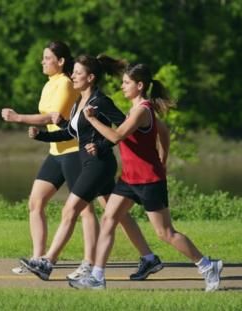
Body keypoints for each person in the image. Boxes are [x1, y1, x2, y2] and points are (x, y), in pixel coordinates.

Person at [69, 63, 223, 291]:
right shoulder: (135, 110)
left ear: (139, 86)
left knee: (165, 233)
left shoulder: (142, 110)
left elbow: (118, 135)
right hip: (129, 179)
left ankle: (208, 265)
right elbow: (163, 131)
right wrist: (164, 156)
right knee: (108, 219)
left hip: (149, 180)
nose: (122, 86)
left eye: (127, 83)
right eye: (123, 82)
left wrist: (92, 119)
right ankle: (97, 277)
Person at [20, 55, 163, 281]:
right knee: (119, 214)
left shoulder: (101, 101)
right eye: (73, 72)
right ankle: (149, 258)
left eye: (77, 72)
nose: (73, 75)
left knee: (70, 210)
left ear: (91, 77)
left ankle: (47, 262)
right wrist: (42, 136)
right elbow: (71, 132)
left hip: (99, 165)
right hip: (92, 163)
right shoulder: (80, 101)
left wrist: (102, 145)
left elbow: (123, 129)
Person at [1, 41, 100, 280]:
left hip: (73, 152)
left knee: (85, 209)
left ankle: (89, 262)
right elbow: (49, 118)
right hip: (56, 152)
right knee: (35, 203)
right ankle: (37, 258)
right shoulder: (49, 85)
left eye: (47, 58)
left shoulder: (66, 83)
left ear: (61, 61)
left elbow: (51, 116)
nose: (43, 61)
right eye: (43, 58)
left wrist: (18, 118)